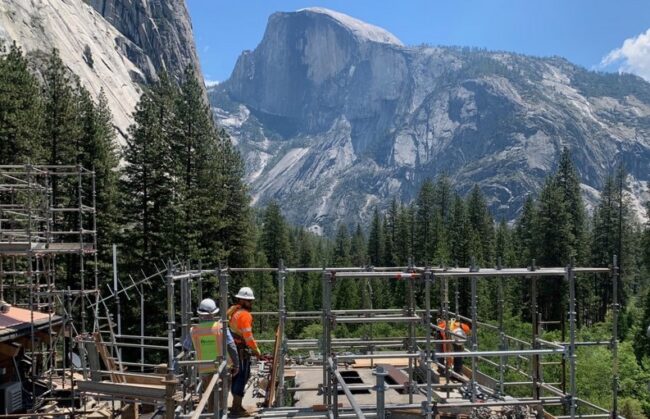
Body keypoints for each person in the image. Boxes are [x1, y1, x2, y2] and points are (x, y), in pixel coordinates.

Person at [184, 298, 239, 413]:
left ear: (200, 313)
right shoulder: (221, 327)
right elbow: (231, 346)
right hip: (222, 368)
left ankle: (211, 414)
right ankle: (220, 414)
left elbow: (186, 348)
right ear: (214, 313)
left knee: (210, 397)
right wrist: (237, 364)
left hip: (205, 370)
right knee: (222, 397)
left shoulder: (193, 330)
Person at [228, 286, 261, 416]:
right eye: (249, 301)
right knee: (242, 376)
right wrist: (256, 349)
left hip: (234, 349)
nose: (251, 303)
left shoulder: (233, 312)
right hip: (240, 349)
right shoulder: (245, 315)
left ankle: (236, 405)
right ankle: (237, 407)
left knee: (236, 376)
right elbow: (248, 336)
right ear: (241, 300)